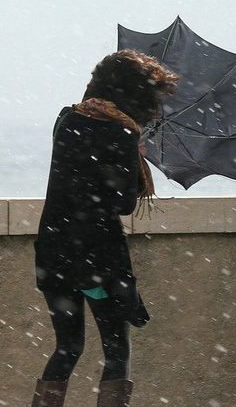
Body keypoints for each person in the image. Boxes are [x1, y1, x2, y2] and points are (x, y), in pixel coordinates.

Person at [32, 49, 178, 407]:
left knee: (67, 347)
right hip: (96, 262)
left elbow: (74, 184)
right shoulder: (121, 134)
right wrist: (134, 155)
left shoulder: (66, 120)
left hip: (55, 252)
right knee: (116, 351)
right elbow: (123, 203)